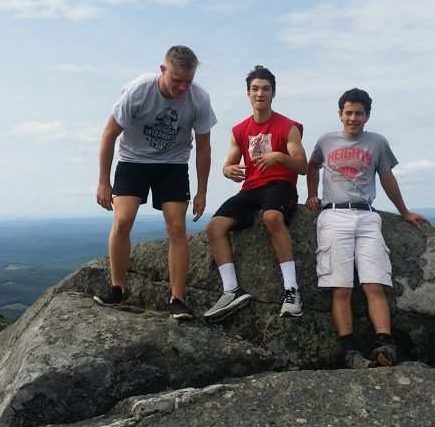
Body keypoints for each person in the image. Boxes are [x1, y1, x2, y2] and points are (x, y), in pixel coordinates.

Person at [306, 87, 430, 369]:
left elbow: (387, 179)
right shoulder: (325, 141)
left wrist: (404, 212)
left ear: (367, 116)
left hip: (367, 216)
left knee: (375, 284)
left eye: (359, 113)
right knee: (341, 289)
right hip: (334, 215)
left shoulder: (377, 142)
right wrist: (312, 194)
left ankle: (384, 345)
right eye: (348, 112)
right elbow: (312, 167)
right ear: (340, 114)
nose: (353, 118)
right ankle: (350, 353)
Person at [93, 45, 217, 319]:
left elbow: (204, 147)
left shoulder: (199, 98)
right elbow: (109, 134)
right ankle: (117, 288)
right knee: (122, 220)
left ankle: (177, 298)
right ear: (163, 70)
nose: (182, 87)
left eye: (188, 81)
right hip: (133, 160)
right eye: (177, 80)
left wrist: (202, 191)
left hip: (173, 163)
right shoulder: (138, 91)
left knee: (177, 227)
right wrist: (103, 181)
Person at [204, 65, 307, 320]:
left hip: (280, 184)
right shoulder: (239, 130)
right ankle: (231, 290)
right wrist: (227, 170)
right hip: (251, 187)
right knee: (214, 227)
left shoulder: (288, 127)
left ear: (274, 93)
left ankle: (292, 291)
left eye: (266, 89)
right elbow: (229, 163)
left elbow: (302, 166)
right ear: (248, 93)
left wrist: (279, 157)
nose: (260, 93)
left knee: (272, 217)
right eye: (255, 89)